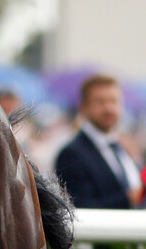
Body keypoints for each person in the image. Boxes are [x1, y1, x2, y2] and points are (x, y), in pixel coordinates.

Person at [55, 74, 143, 209]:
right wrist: (129, 198)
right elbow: (80, 208)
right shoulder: (71, 154)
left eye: (114, 101)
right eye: (100, 102)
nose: (109, 108)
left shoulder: (121, 147)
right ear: (83, 107)